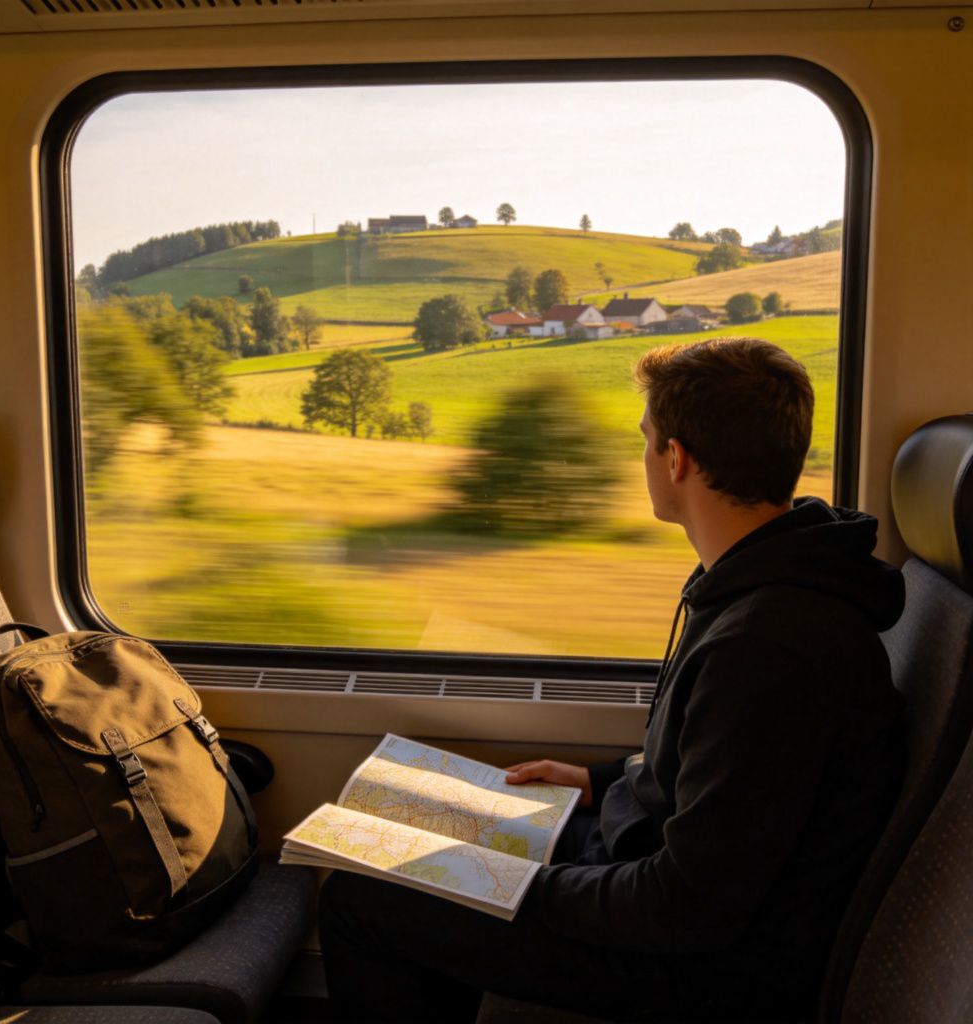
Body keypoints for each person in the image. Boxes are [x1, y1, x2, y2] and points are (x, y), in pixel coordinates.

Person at [317, 337, 905, 1023]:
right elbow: (721, 780)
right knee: (396, 816)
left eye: (647, 439)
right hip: (649, 866)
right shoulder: (763, 582)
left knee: (358, 899)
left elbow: (688, 905)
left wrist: (506, 882)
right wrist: (596, 781)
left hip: (709, 967)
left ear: (676, 458)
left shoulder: (770, 647)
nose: (647, 455)